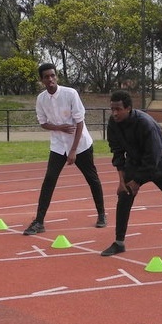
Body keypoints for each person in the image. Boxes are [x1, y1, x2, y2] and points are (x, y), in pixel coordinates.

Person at [101, 90, 162, 256]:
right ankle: (119, 242)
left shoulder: (146, 124)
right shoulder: (113, 123)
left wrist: (136, 182)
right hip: (135, 162)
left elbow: (152, 158)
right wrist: (121, 180)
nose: (114, 113)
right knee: (124, 196)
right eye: (112, 109)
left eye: (118, 109)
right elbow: (117, 151)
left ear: (129, 108)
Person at [23, 63, 106, 235]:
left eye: (53, 75)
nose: (50, 79)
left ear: (56, 76)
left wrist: (74, 151)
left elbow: (79, 122)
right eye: (46, 76)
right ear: (42, 80)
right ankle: (39, 221)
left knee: (92, 178)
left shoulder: (70, 94)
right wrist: (59, 127)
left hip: (80, 144)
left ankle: (101, 214)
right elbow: (43, 123)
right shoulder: (41, 99)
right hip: (58, 146)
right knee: (49, 180)